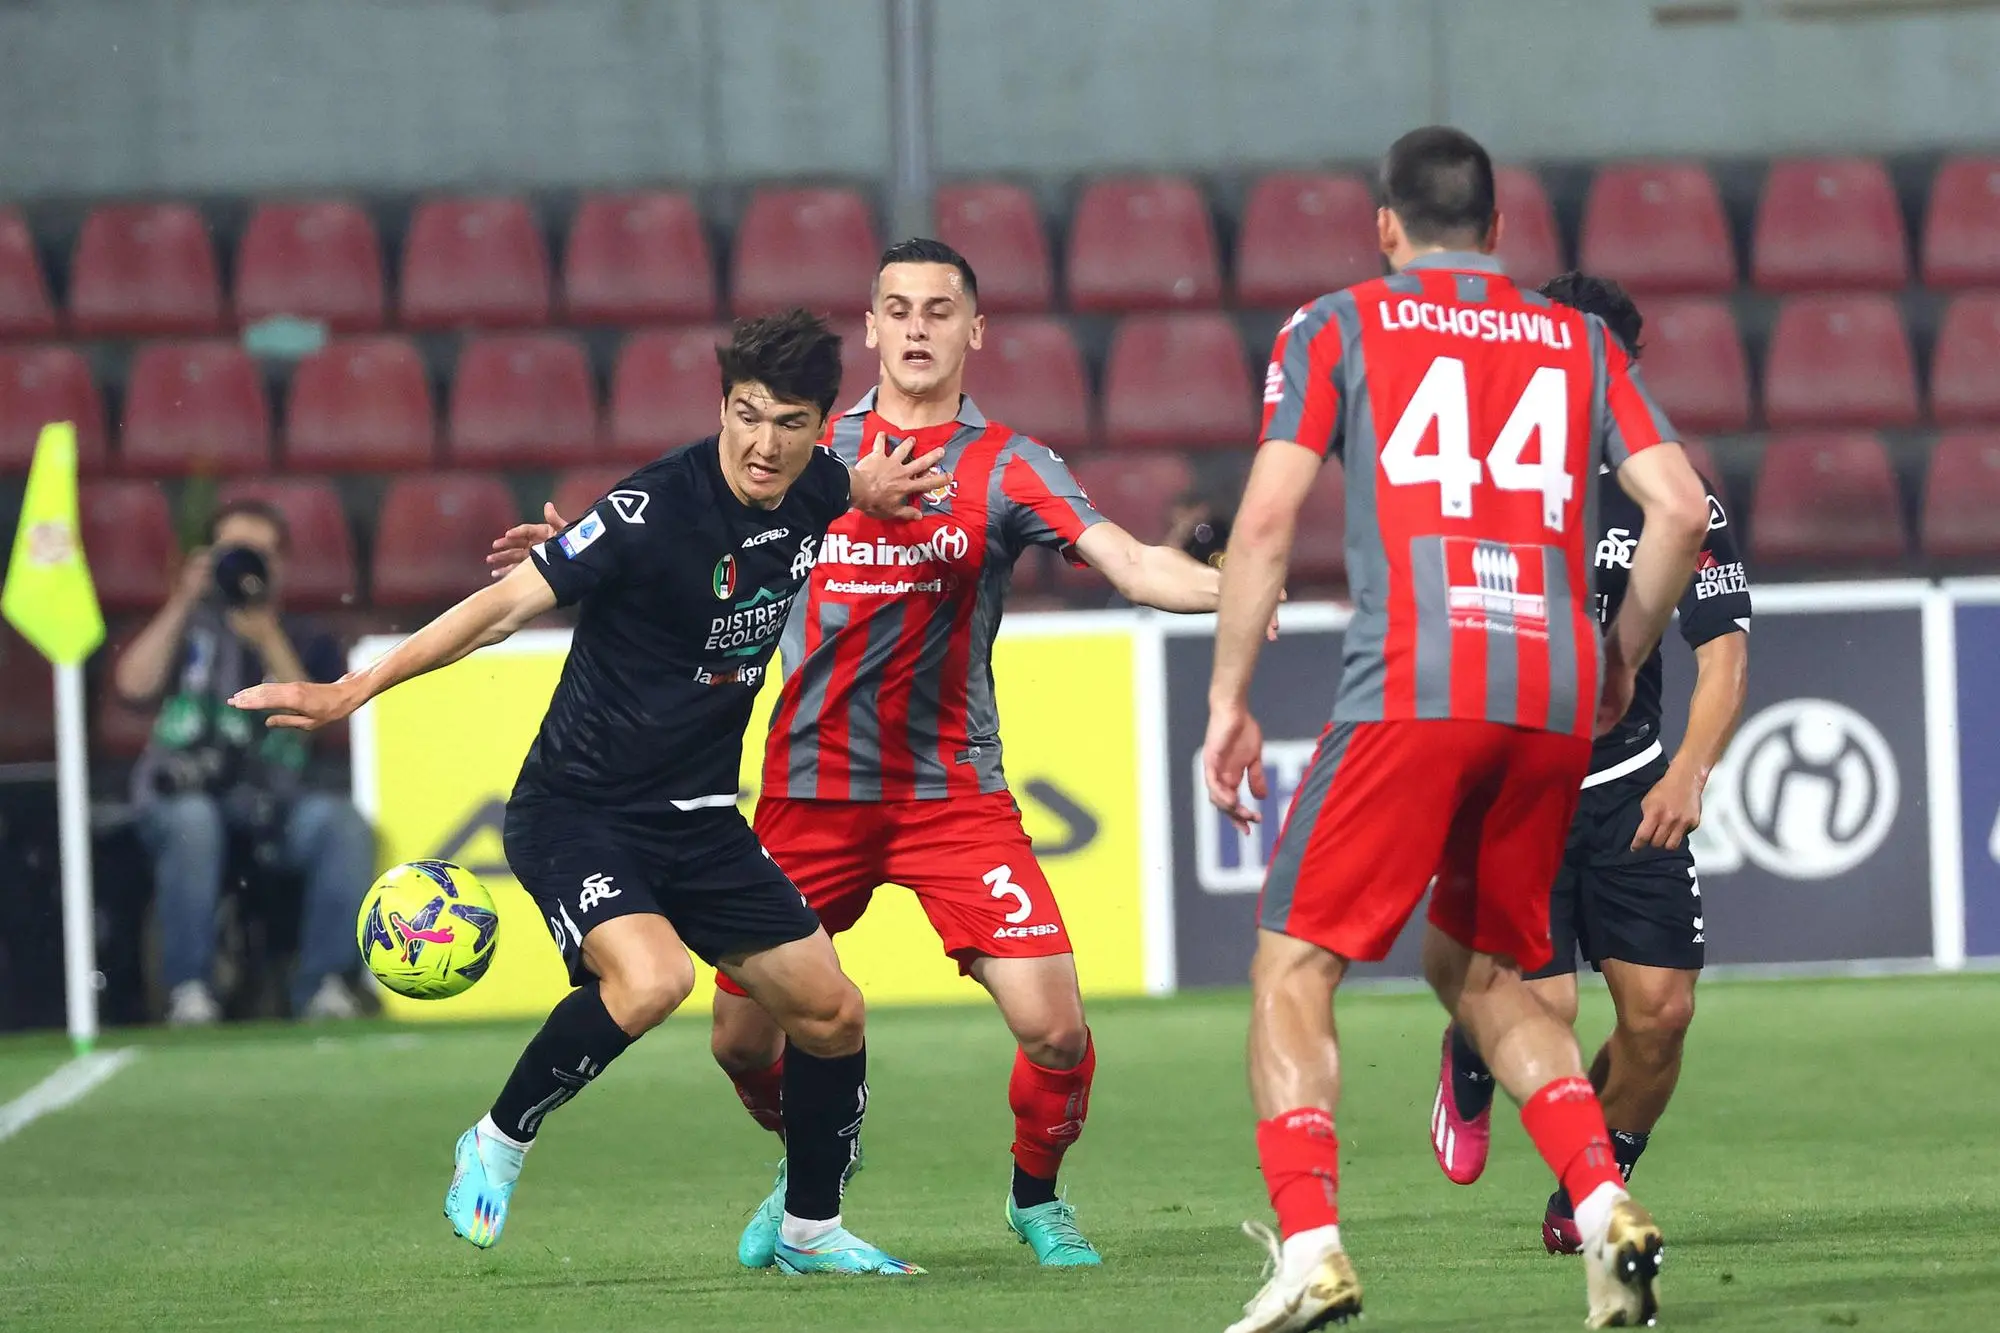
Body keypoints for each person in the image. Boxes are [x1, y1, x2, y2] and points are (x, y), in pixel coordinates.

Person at [492, 238, 1232, 1269]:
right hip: (807, 789)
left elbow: (1132, 562)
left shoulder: (1010, 465)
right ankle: (809, 1190)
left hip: (948, 793)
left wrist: (1249, 590)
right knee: (741, 1044)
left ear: (974, 330)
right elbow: (686, 543)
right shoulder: (799, 447)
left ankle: (1036, 1198)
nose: (918, 326)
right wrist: (593, 553)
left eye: (940, 309)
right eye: (898, 307)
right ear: (871, 327)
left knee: (1054, 1027)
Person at [231, 311, 946, 1274]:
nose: (763, 443)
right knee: (654, 980)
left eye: (788, 421)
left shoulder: (815, 481)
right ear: (721, 407)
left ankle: (811, 1231)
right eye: (746, 415)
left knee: (833, 1014)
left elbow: (846, 485)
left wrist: (881, 490)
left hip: (698, 815)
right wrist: (353, 688)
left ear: (821, 424)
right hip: (579, 808)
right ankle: (497, 1138)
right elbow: (498, 609)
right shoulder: (652, 507)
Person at [1200, 127, 1710, 1331]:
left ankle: (1310, 1245)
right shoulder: (1577, 339)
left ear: (1385, 227)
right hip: (1547, 693)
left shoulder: (1335, 323)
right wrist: (1621, 653)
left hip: (1414, 680)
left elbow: (1266, 521)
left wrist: (1225, 698)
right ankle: (1600, 1206)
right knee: (1479, 970)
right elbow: (1679, 507)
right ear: (1494, 231)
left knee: (1292, 964)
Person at [1430, 271, 1751, 1253]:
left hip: (1624, 785)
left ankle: (1599, 1169)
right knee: (1551, 1008)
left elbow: (1723, 652)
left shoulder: (1669, 491)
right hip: (1513, 786)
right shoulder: (1470, 479)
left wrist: (1688, 770)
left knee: (1660, 1013)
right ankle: (1483, 1051)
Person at [114, 497, 376, 1025]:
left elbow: (322, 720)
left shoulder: (305, 637)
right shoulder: (188, 626)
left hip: (272, 804)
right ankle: (190, 990)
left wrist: (267, 635)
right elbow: (132, 684)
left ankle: (324, 986)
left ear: (280, 564)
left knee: (341, 825)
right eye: (234, 551)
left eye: (261, 553)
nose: (246, 564)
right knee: (195, 822)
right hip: (182, 798)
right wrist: (183, 600)